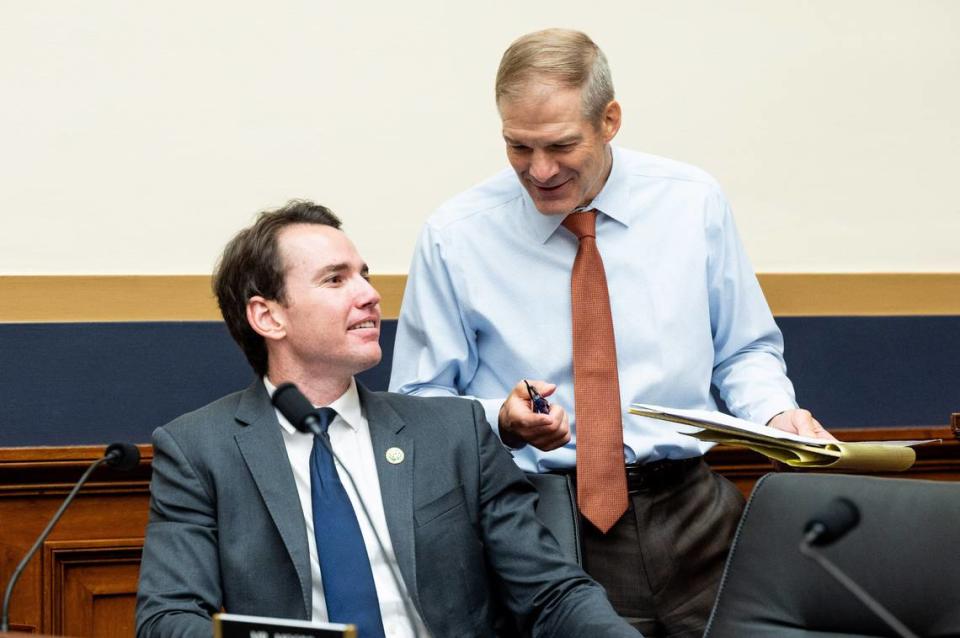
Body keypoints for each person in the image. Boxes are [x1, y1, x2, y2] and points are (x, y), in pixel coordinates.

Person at [389, 28, 835, 637]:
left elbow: (744, 350)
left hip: (696, 513)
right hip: (541, 521)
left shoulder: (692, 203)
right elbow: (417, 406)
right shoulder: (456, 236)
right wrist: (501, 418)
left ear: (610, 120)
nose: (539, 170)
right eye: (518, 147)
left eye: (560, 145)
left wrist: (775, 414)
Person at [135, 200, 640, 638]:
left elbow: (552, 595)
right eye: (336, 279)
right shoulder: (201, 450)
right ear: (268, 317)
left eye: (365, 275)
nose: (370, 295)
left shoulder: (453, 433)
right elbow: (168, 619)